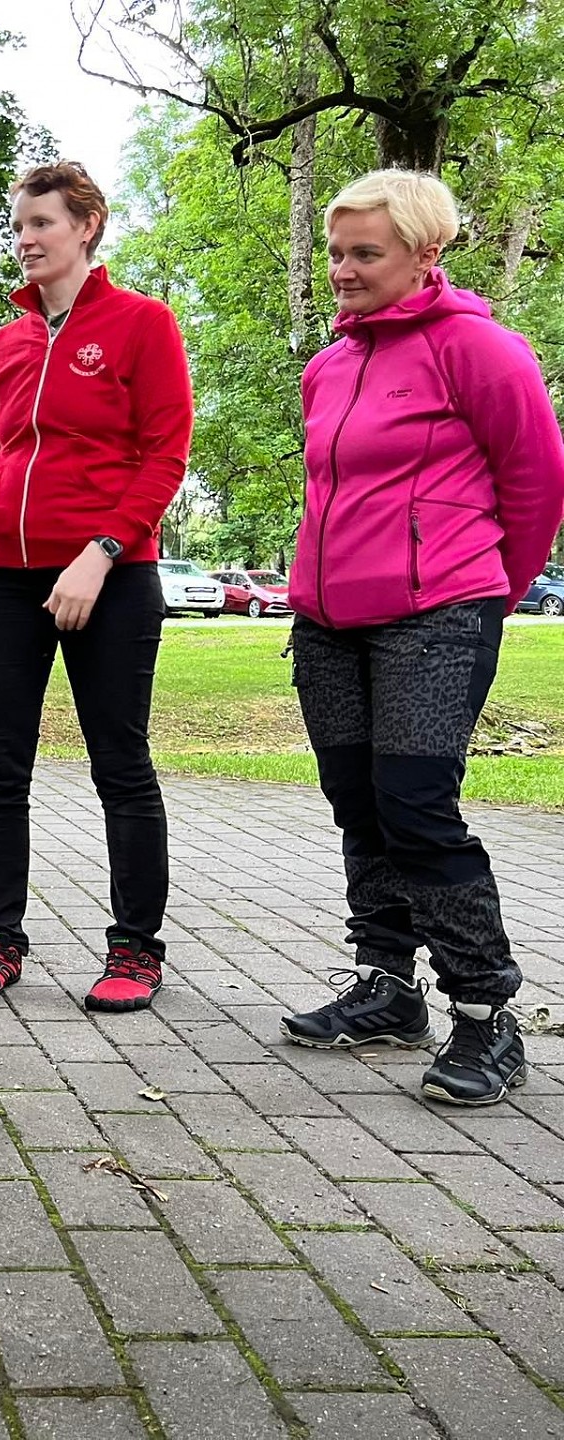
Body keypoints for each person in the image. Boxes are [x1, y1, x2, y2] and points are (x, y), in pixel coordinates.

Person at [280, 170, 564, 1106]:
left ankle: (485, 1014)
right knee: (359, 804)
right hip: (327, 624)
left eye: (366, 253)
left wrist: (486, 595)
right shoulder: (331, 363)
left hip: (437, 614)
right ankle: (388, 989)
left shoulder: (480, 350)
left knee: (415, 807)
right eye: (336, 252)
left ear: (424, 252)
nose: (343, 270)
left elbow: (536, 484)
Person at [0, 161, 194, 1014]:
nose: (25, 238)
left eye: (41, 222)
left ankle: (136, 950)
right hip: (1, 578)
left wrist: (103, 551)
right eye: (18, 225)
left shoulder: (143, 324)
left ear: (87, 226)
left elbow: (166, 456)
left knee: (121, 765)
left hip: (109, 577)